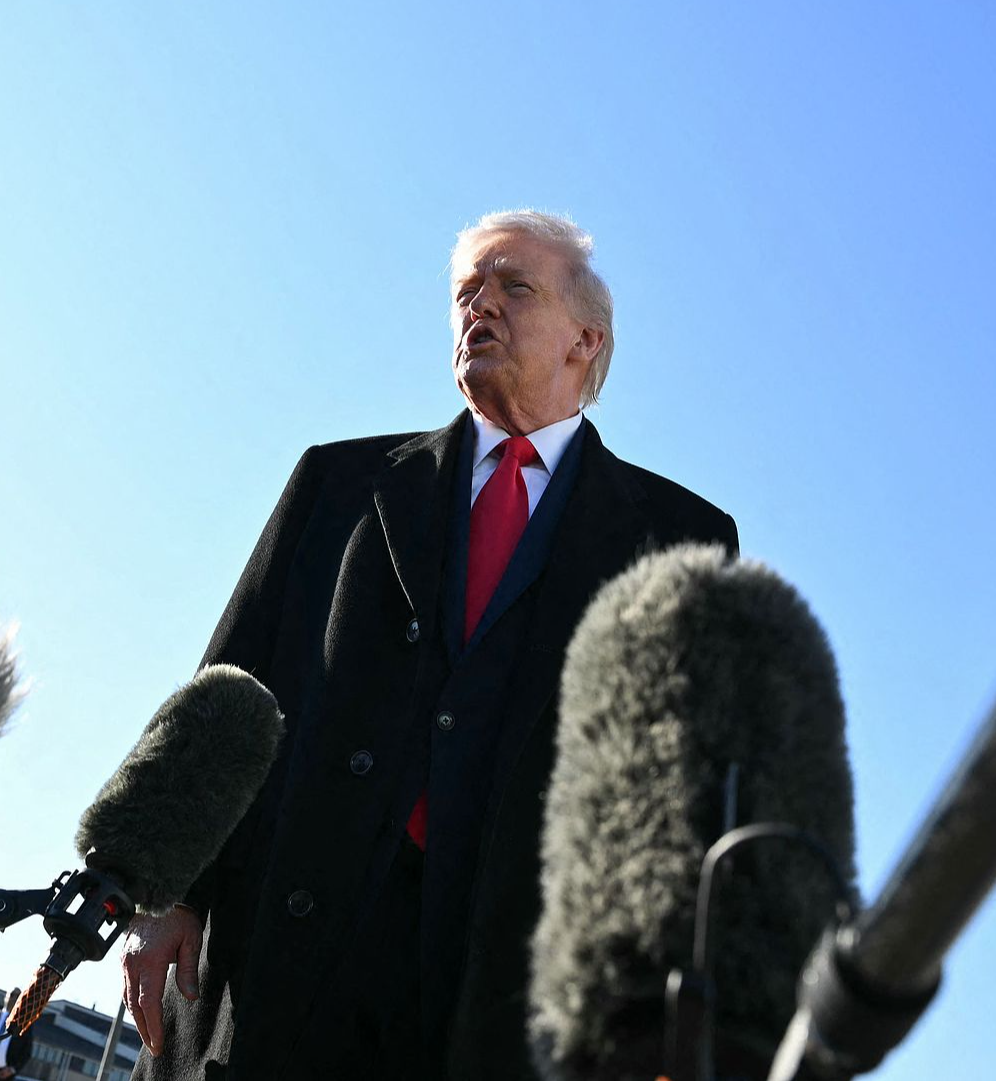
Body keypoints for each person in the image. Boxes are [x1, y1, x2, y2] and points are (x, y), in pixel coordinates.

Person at [121, 211, 738, 1080]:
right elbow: (227, 687)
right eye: (465, 292)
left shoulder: (681, 542)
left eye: (513, 286)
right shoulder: (340, 483)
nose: (479, 305)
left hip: (500, 983)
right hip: (287, 944)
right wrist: (166, 888)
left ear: (585, 338)